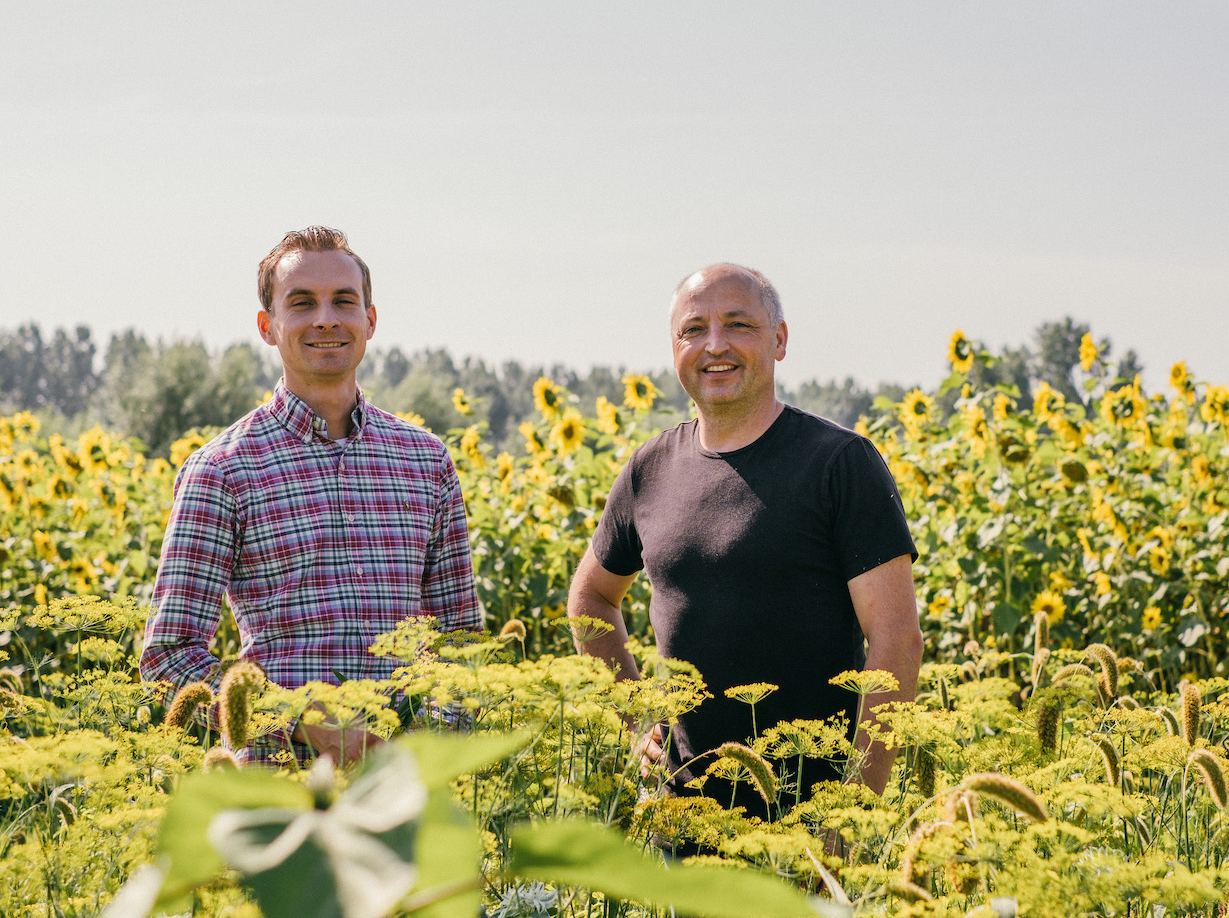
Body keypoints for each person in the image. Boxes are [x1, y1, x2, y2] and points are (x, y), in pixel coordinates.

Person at [566, 263, 922, 813]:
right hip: (686, 817)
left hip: (808, 822)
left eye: (738, 325)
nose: (715, 345)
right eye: (693, 329)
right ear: (675, 347)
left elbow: (897, 639)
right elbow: (590, 599)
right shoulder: (650, 468)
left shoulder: (840, 464)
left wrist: (854, 811)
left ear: (779, 340)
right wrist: (638, 722)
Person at [141, 226, 482, 767]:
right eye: (302, 303)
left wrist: (426, 751)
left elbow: (460, 640)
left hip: (407, 799)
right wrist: (299, 723)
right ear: (268, 327)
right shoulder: (223, 470)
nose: (326, 318)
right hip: (279, 796)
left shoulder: (426, 461)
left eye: (343, 301)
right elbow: (169, 661)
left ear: (370, 319)